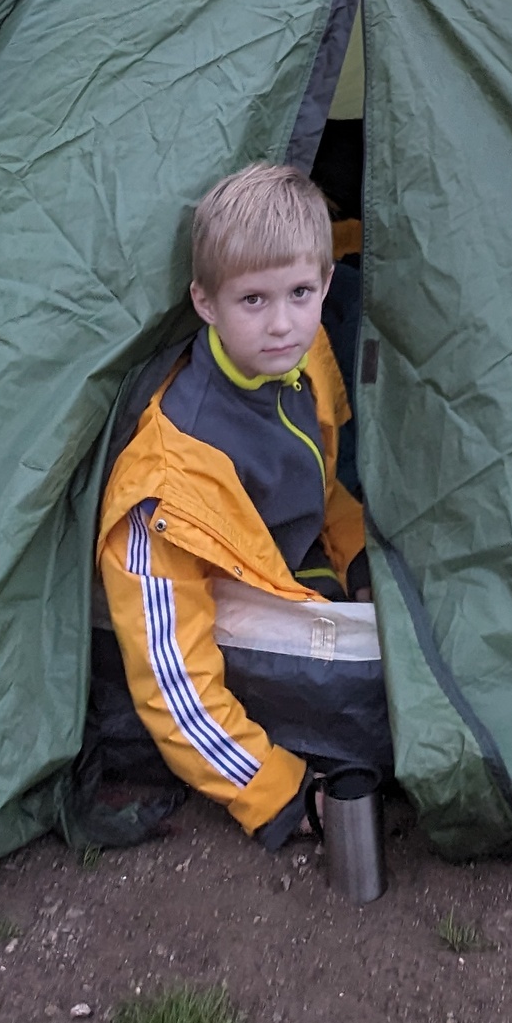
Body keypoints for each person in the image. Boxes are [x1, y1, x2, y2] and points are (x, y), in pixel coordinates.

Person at [92, 162, 391, 848]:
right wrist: (280, 791)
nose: (283, 324)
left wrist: (360, 556)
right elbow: (174, 683)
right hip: (241, 616)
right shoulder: (167, 481)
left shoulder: (306, 353)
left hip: (300, 563)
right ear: (205, 303)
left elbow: (326, 482)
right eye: (252, 300)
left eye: (301, 292)